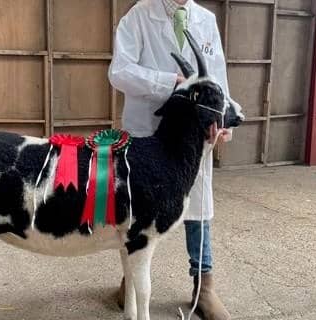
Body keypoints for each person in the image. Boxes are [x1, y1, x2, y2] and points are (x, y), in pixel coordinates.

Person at [108, 0, 232, 319]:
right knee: (138, 210)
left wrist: (223, 117)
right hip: (147, 130)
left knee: (198, 206)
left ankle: (204, 286)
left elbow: (215, 77)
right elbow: (119, 71)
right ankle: (130, 282)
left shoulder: (205, 19)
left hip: (190, 135)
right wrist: (169, 82)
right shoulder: (138, 15)